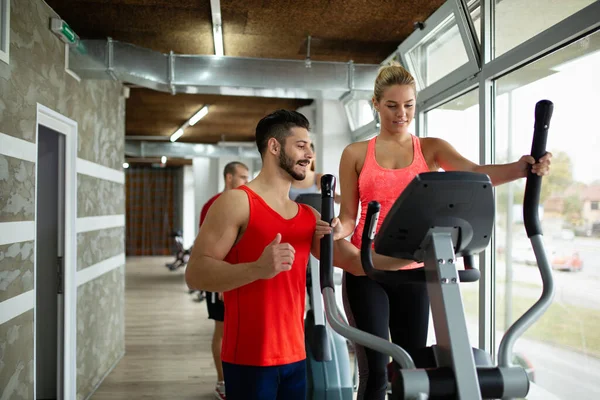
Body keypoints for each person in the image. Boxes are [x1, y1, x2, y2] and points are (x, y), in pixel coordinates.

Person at [335, 63, 553, 400]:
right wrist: (338, 227)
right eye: (392, 105)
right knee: (376, 370)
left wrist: (522, 168)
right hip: (369, 270)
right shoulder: (355, 153)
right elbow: (349, 216)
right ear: (376, 104)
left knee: (411, 369)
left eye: (408, 105)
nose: (401, 113)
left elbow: (477, 173)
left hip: (416, 271)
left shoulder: (431, 148)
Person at [185, 109, 410, 400]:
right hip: (249, 359)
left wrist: (416, 256)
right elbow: (196, 273)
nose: (309, 155)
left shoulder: (308, 216)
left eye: (311, 147)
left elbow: (356, 262)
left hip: (295, 356)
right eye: (301, 146)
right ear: (274, 147)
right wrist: (257, 268)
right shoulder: (237, 203)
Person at [198, 161, 250, 400]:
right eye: (242, 177)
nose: (246, 182)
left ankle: (238, 378)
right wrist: (221, 281)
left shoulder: (244, 203)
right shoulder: (215, 205)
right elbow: (208, 251)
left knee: (239, 329)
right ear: (229, 178)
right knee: (222, 329)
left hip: (239, 277)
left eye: (248, 177)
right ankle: (222, 381)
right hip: (220, 278)